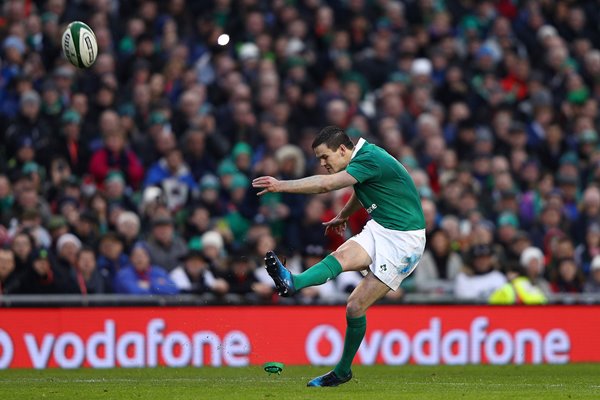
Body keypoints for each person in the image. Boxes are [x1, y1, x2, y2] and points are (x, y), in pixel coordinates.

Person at [252, 126, 426, 387]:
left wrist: (280, 186)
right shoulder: (364, 159)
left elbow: (325, 186)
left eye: (325, 157)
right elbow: (360, 188)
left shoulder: (369, 158)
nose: (323, 164)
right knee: (343, 261)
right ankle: (292, 282)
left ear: (343, 150)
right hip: (382, 226)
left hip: (404, 240)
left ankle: (342, 370)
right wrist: (344, 214)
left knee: (356, 306)